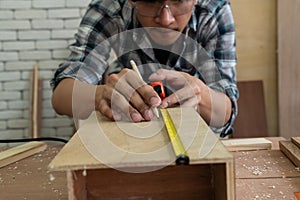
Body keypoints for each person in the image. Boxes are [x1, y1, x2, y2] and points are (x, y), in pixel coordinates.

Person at [51, 0, 238, 138]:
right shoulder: (110, 8)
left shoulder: (214, 10)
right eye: (150, 1)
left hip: (195, 136)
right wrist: (100, 95)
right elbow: (61, 97)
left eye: (179, 1)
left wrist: (203, 97)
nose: (166, 19)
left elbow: (226, 111)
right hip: (131, 132)